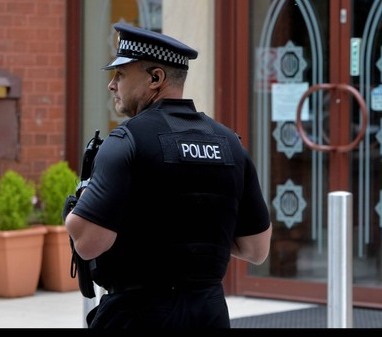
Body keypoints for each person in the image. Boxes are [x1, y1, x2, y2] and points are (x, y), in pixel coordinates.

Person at [66, 23, 272, 329]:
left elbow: (88, 243)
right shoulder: (230, 144)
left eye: (120, 74)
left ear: (155, 78)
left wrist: (77, 206)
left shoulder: (125, 141)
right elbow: (256, 250)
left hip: (137, 314)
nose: (112, 85)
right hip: (209, 314)